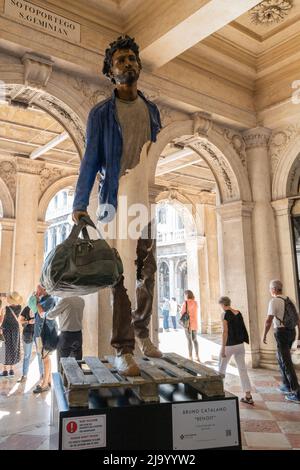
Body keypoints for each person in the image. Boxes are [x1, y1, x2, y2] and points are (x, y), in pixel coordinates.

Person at [72, 35, 162, 376]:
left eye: (130, 58)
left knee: (149, 270)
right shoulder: (100, 114)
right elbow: (90, 160)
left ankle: (142, 333)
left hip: (144, 201)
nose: (127, 63)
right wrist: (80, 203)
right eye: (119, 60)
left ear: (138, 65)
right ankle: (123, 348)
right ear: (111, 72)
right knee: (119, 274)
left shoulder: (151, 109)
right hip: (112, 201)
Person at [263, 279, 300, 404]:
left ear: (273, 289)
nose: (270, 291)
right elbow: (297, 318)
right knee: (280, 358)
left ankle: (296, 392)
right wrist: (298, 334)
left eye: (270, 289)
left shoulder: (274, 301)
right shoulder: (290, 300)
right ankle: (286, 385)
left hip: (281, 333)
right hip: (291, 332)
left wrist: (264, 335)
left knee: (287, 362)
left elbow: (268, 321)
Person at [218, 296, 254, 405]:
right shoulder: (238, 312)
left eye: (220, 305)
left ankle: (217, 392)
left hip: (229, 345)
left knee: (221, 368)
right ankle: (248, 396)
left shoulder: (224, 314)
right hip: (240, 345)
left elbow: (225, 332)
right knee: (242, 370)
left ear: (223, 304)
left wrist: (223, 348)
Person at [46, 296, 84, 366]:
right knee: (78, 363)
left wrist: (45, 314)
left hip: (67, 335)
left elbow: (51, 315)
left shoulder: (65, 300)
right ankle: (77, 376)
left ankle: (63, 376)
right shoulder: (81, 300)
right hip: (78, 334)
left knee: (63, 364)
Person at [32, 285, 56, 394]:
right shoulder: (43, 299)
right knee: (45, 358)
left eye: (38, 289)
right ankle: (48, 380)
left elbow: (42, 313)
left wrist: (36, 301)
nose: (37, 291)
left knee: (45, 358)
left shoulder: (50, 299)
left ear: (44, 289)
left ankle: (45, 384)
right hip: (39, 333)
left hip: (45, 334)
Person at [0, 292, 23, 377]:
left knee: (4, 349)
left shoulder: (5, 308)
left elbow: (2, 319)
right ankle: (12, 370)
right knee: (14, 348)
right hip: (15, 330)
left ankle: (5, 370)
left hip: (6, 330)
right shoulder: (19, 307)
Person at [18, 305, 38, 383]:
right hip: (27, 334)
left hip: (38, 334)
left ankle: (43, 376)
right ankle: (24, 375)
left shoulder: (40, 307)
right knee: (27, 356)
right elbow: (20, 320)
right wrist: (28, 322)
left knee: (40, 355)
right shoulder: (27, 308)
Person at [180, 290, 200, 362]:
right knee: (195, 340)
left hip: (188, 324)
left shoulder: (185, 303)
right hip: (195, 323)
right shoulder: (195, 302)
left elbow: (182, 313)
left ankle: (190, 356)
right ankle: (197, 356)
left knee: (189, 340)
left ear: (186, 295)